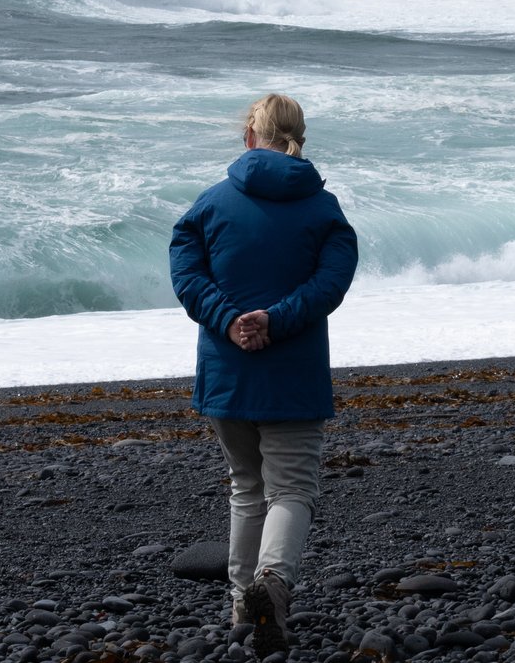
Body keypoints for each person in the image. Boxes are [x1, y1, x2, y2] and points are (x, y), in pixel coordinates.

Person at [169, 94, 359, 657]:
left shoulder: (209, 204)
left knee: (246, 487)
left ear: (249, 137)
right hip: (293, 371)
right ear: (300, 137)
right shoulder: (324, 210)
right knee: (292, 489)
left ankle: (239, 604)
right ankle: (271, 586)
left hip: (229, 370)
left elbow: (186, 275)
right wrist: (276, 320)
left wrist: (230, 321)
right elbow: (330, 286)